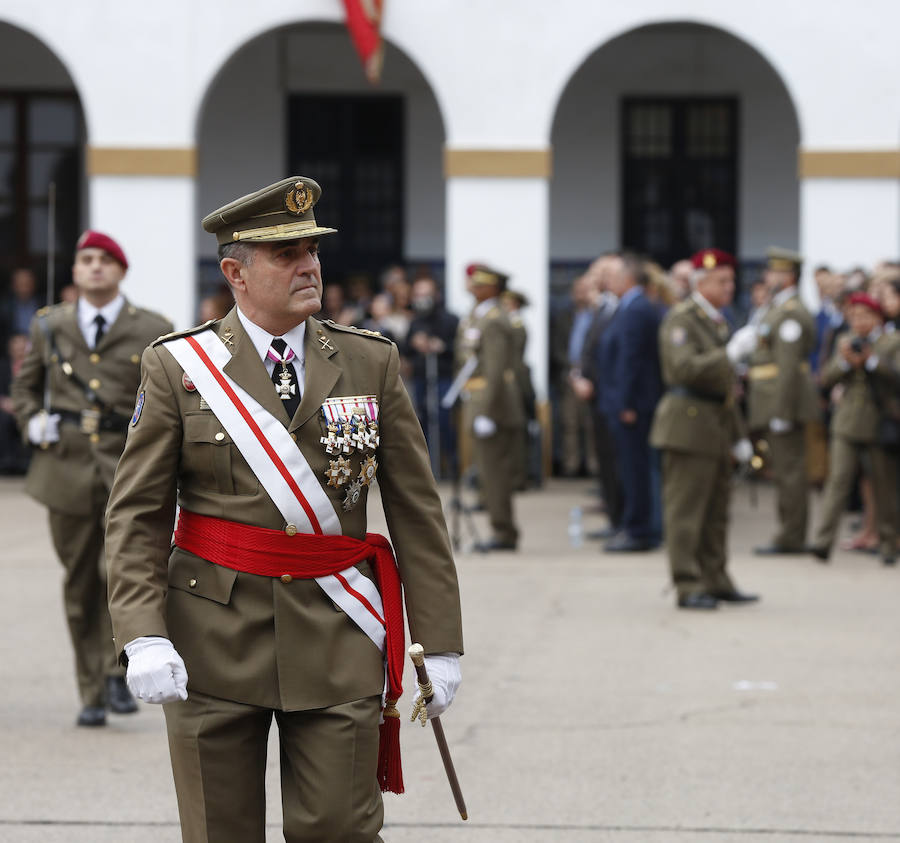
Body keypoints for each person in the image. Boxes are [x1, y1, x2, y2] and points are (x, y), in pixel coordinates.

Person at [104, 176, 464, 842]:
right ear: (235, 271)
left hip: (338, 629)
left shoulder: (368, 361)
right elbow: (137, 515)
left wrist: (438, 643)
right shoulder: (177, 368)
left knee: (340, 828)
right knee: (221, 830)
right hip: (211, 635)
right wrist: (142, 631)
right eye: (285, 252)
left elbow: (416, 511)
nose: (309, 264)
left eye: (312, 249)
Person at [11, 230, 173, 727]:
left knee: (118, 574)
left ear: (121, 271)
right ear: (75, 272)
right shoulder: (50, 326)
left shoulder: (152, 327)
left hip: (128, 470)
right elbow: (26, 386)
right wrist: (30, 419)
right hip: (66, 470)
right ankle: (91, 690)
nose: (95, 266)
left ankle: (115, 670)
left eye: (105, 259)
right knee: (81, 583)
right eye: (86, 259)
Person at [650, 249, 759, 609]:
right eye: (721, 281)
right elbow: (683, 370)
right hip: (688, 426)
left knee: (716, 513)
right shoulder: (683, 319)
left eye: (731, 280)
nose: (730, 287)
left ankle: (716, 578)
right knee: (686, 512)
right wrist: (728, 355)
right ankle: (687, 582)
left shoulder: (716, 321)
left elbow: (726, 390)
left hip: (714, 425)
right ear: (701, 283)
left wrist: (740, 436)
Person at [809, 293, 900, 566]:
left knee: (884, 487)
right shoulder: (844, 342)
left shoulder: (891, 342)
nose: (859, 322)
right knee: (838, 481)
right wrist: (846, 362)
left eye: (865, 317)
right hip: (847, 422)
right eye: (854, 317)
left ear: (877, 318)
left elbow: (896, 378)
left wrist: (871, 362)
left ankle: (887, 543)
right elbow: (826, 378)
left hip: (878, 423)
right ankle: (823, 542)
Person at [743, 247, 819, 554]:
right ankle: (789, 532)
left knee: (789, 472)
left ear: (788, 277)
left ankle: (792, 536)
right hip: (773, 400)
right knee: (785, 470)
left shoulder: (790, 313)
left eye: (774, 272)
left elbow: (787, 368)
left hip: (783, 403)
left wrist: (783, 411)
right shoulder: (778, 308)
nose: (767, 277)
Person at [455, 262, 523, 551]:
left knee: (494, 472)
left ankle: (504, 532)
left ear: (492, 288)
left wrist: (487, 412)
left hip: (490, 404)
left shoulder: (494, 319)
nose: (472, 287)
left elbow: (495, 370)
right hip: (477, 399)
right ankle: (501, 528)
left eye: (478, 283)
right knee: (485, 470)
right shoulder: (478, 315)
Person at [598, 252, 663, 551]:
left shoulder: (635, 309)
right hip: (630, 403)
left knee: (637, 470)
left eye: (614, 276)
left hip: (633, 406)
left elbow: (630, 359)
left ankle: (641, 530)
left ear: (628, 279)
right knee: (632, 468)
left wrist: (625, 403)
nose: (608, 281)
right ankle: (634, 524)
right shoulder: (631, 306)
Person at [404, 276, 459, 477]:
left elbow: (460, 350)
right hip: (421, 378)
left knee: (443, 421)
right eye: (418, 294)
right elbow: (406, 349)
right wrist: (415, 344)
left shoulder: (450, 320)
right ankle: (427, 469)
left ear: (435, 295)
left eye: (425, 294)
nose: (421, 299)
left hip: (444, 378)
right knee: (423, 421)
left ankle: (452, 466)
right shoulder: (415, 321)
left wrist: (441, 347)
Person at [500, 288, 537, 490]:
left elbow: (513, 357)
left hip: (516, 380)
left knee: (517, 431)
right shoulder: (511, 322)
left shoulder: (515, 324)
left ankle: (518, 477)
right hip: (513, 378)